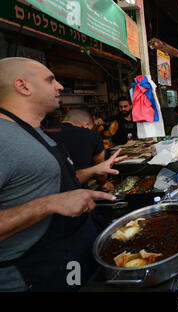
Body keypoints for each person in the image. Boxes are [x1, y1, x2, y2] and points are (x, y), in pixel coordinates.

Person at [0, 57, 126, 291]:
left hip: (73, 256)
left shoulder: (36, 131)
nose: (59, 86)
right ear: (23, 86)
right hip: (37, 275)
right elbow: (53, 199)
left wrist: (93, 171)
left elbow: (53, 186)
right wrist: (48, 204)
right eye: (50, 80)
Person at [46, 108, 106, 188]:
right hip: (77, 191)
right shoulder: (91, 135)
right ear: (85, 125)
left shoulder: (45, 132)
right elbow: (101, 170)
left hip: (47, 191)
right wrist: (103, 183)